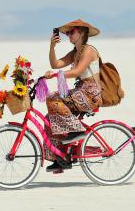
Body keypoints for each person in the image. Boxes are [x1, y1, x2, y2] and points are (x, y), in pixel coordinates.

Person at [43, 19, 103, 172]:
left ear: (82, 32)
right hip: (80, 91)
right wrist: (52, 46)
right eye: (67, 32)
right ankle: (61, 158)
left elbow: (76, 71)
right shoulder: (75, 52)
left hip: (90, 93)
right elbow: (55, 64)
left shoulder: (89, 50)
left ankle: (77, 131)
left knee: (53, 98)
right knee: (49, 119)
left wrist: (57, 75)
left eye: (72, 31)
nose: (69, 35)